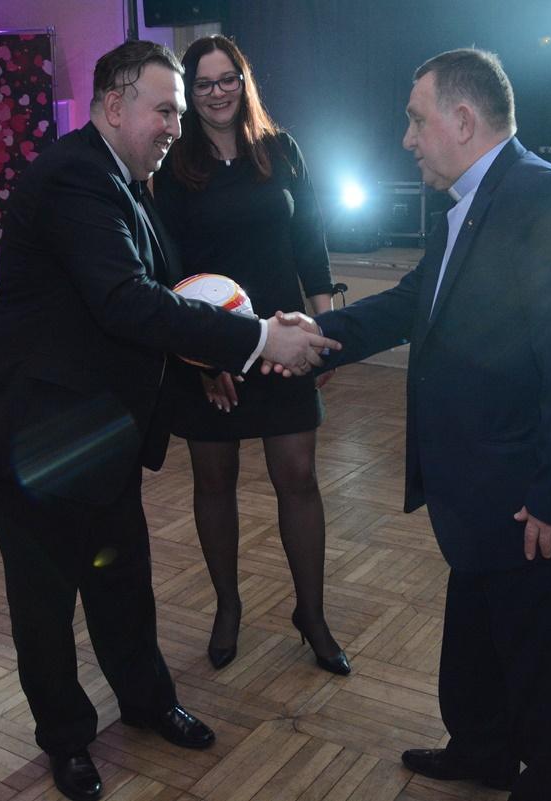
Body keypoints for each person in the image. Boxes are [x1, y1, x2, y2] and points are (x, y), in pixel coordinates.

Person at [0, 40, 339, 801]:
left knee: (123, 581)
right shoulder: (74, 177)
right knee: (44, 604)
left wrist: (222, 348)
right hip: (38, 434)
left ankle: (146, 701)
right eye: (165, 110)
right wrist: (259, 338)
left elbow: (176, 293)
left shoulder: (128, 182)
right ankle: (67, 739)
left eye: (178, 112)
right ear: (113, 105)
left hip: (103, 430)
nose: (176, 125)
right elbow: (126, 302)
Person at [273, 49, 551, 801]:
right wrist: (318, 334)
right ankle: (482, 750)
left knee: (534, 653)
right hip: (486, 483)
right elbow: (416, 301)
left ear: (464, 120)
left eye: (417, 120)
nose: (406, 138)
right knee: (477, 629)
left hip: (537, 492)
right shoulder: (471, 202)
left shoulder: (550, 202)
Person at [152, 35, 348, 675]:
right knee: (215, 483)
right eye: (203, 83)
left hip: (286, 340)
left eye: (227, 78)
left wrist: (324, 333)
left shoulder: (280, 148)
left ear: (244, 80)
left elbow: (310, 240)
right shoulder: (173, 166)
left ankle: (311, 615)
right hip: (212, 351)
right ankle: (228, 607)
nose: (218, 92)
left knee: (299, 478)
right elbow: (168, 269)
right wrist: (201, 361)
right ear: (190, 93)